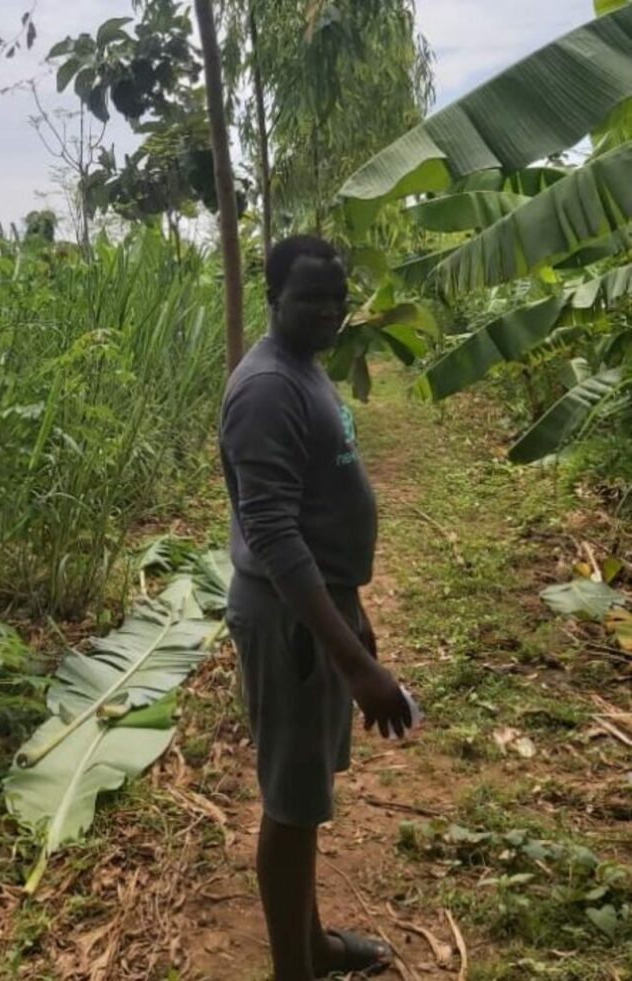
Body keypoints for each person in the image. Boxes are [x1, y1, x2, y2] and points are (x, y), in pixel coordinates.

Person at [219, 234, 412, 979]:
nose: (330, 310)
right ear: (274, 299)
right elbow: (273, 533)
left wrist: (353, 611)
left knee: (305, 795)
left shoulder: (304, 369)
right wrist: (356, 662)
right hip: (288, 619)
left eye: (338, 296)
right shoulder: (268, 386)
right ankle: (294, 968)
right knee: (293, 804)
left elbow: (315, 511)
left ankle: (312, 945)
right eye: (311, 297)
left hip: (317, 610)